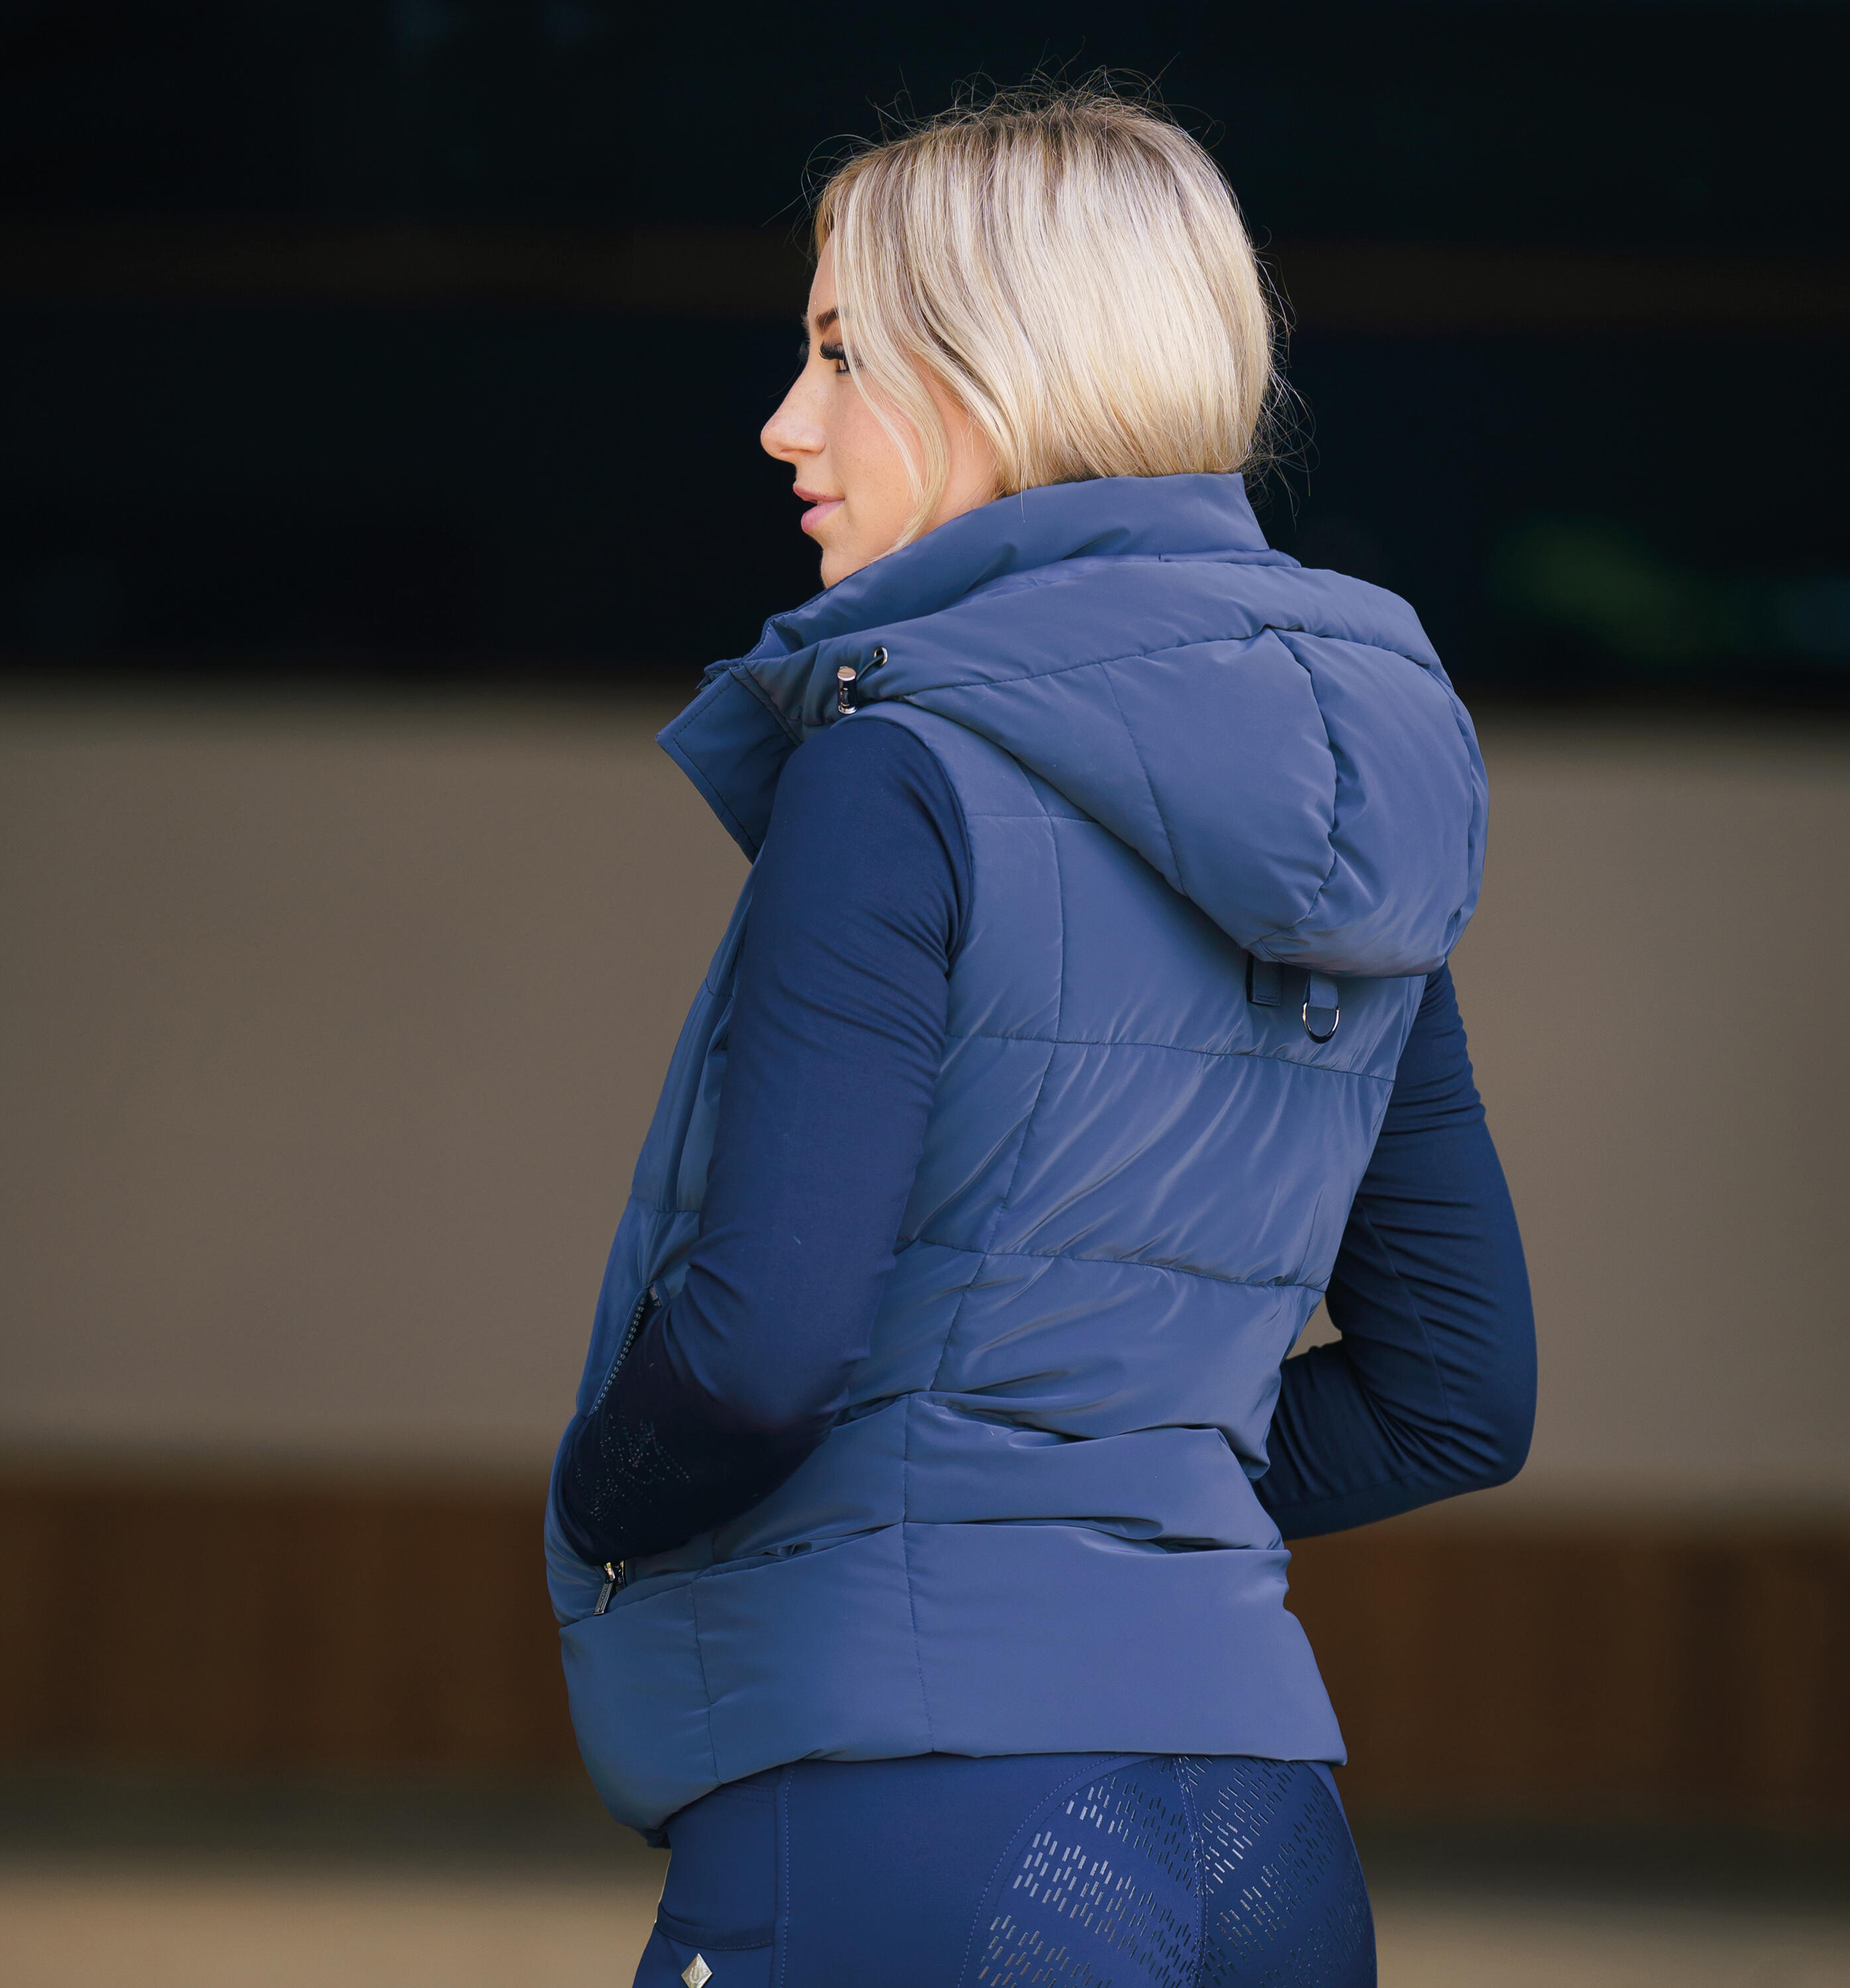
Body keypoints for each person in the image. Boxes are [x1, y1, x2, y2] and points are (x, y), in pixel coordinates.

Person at [547, 84, 1534, 1988]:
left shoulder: (896, 767)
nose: (786, 421)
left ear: (1000, 376)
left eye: (842, 352)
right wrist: (1111, 1492)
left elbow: (756, 1355)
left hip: (901, 1803)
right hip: (1264, 1836)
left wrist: (602, 1496)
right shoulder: (1357, 803)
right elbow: (1456, 1393)